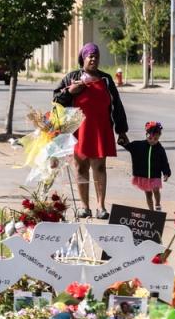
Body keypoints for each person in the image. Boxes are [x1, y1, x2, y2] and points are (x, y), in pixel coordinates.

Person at [53, 42, 129, 219]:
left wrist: (122, 130)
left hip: (101, 129)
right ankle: (84, 207)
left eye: (96, 56)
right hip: (79, 131)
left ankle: (101, 207)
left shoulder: (107, 79)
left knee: (100, 167)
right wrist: (71, 91)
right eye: (90, 56)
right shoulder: (72, 77)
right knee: (80, 168)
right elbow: (57, 100)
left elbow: (116, 105)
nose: (93, 58)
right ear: (83, 58)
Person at [123, 121, 172, 212]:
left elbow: (164, 162)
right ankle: (151, 211)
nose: (152, 140)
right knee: (148, 194)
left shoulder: (160, 149)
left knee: (156, 190)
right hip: (144, 175)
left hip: (155, 175)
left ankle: (157, 204)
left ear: (159, 138)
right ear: (146, 135)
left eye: (155, 139)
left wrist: (166, 173)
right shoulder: (139, 145)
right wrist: (123, 140)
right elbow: (129, 146)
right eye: (150, 138)